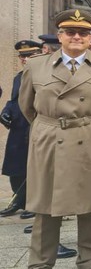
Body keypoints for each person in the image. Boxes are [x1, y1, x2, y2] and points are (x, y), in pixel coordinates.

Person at [18, 9, 91, 268]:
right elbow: (28, 107)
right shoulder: (36, 65)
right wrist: (53, 126)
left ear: (90, 37)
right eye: (71, 32)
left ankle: (89, 262)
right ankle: (40, 263)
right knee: (45, 207)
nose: (77, 36)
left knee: (90, 207)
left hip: (90, 140)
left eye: (84, 32)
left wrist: (89, 127)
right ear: (60, 35)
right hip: (49, 141)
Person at [0, 40, 42, 218]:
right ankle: (19, 199)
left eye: (29, 56)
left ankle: (35, 202)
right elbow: (14, 100)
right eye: (22, 56)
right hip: (18, 127)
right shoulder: (19, 77)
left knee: (36, 168)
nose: (25, 60)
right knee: (15, 166)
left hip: (35, 126)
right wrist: (6, 111)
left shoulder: (44, 76)